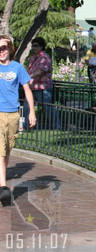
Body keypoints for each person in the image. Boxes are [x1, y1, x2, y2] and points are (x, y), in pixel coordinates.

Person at [0, 35, 36, 207]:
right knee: (0, 149)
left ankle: (1, 178)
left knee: (7, 148)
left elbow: (27, 90)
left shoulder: (18, 68)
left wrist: (32, 112)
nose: (1, 51)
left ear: (10, 49)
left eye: (4, 48)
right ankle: (3, 187)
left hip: (13, 113)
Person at [26, 37, 60, 129]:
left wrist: (29, 77)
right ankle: (26, 126)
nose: (34, 48)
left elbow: (41, 71)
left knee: (48, 108)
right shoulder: (33, 58)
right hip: (32, 87)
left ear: (41, 46)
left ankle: (56, 126)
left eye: (36, 46)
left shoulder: (45, 58)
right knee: (27, 107)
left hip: (43, 87)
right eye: (33, 46)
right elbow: (30, 70)